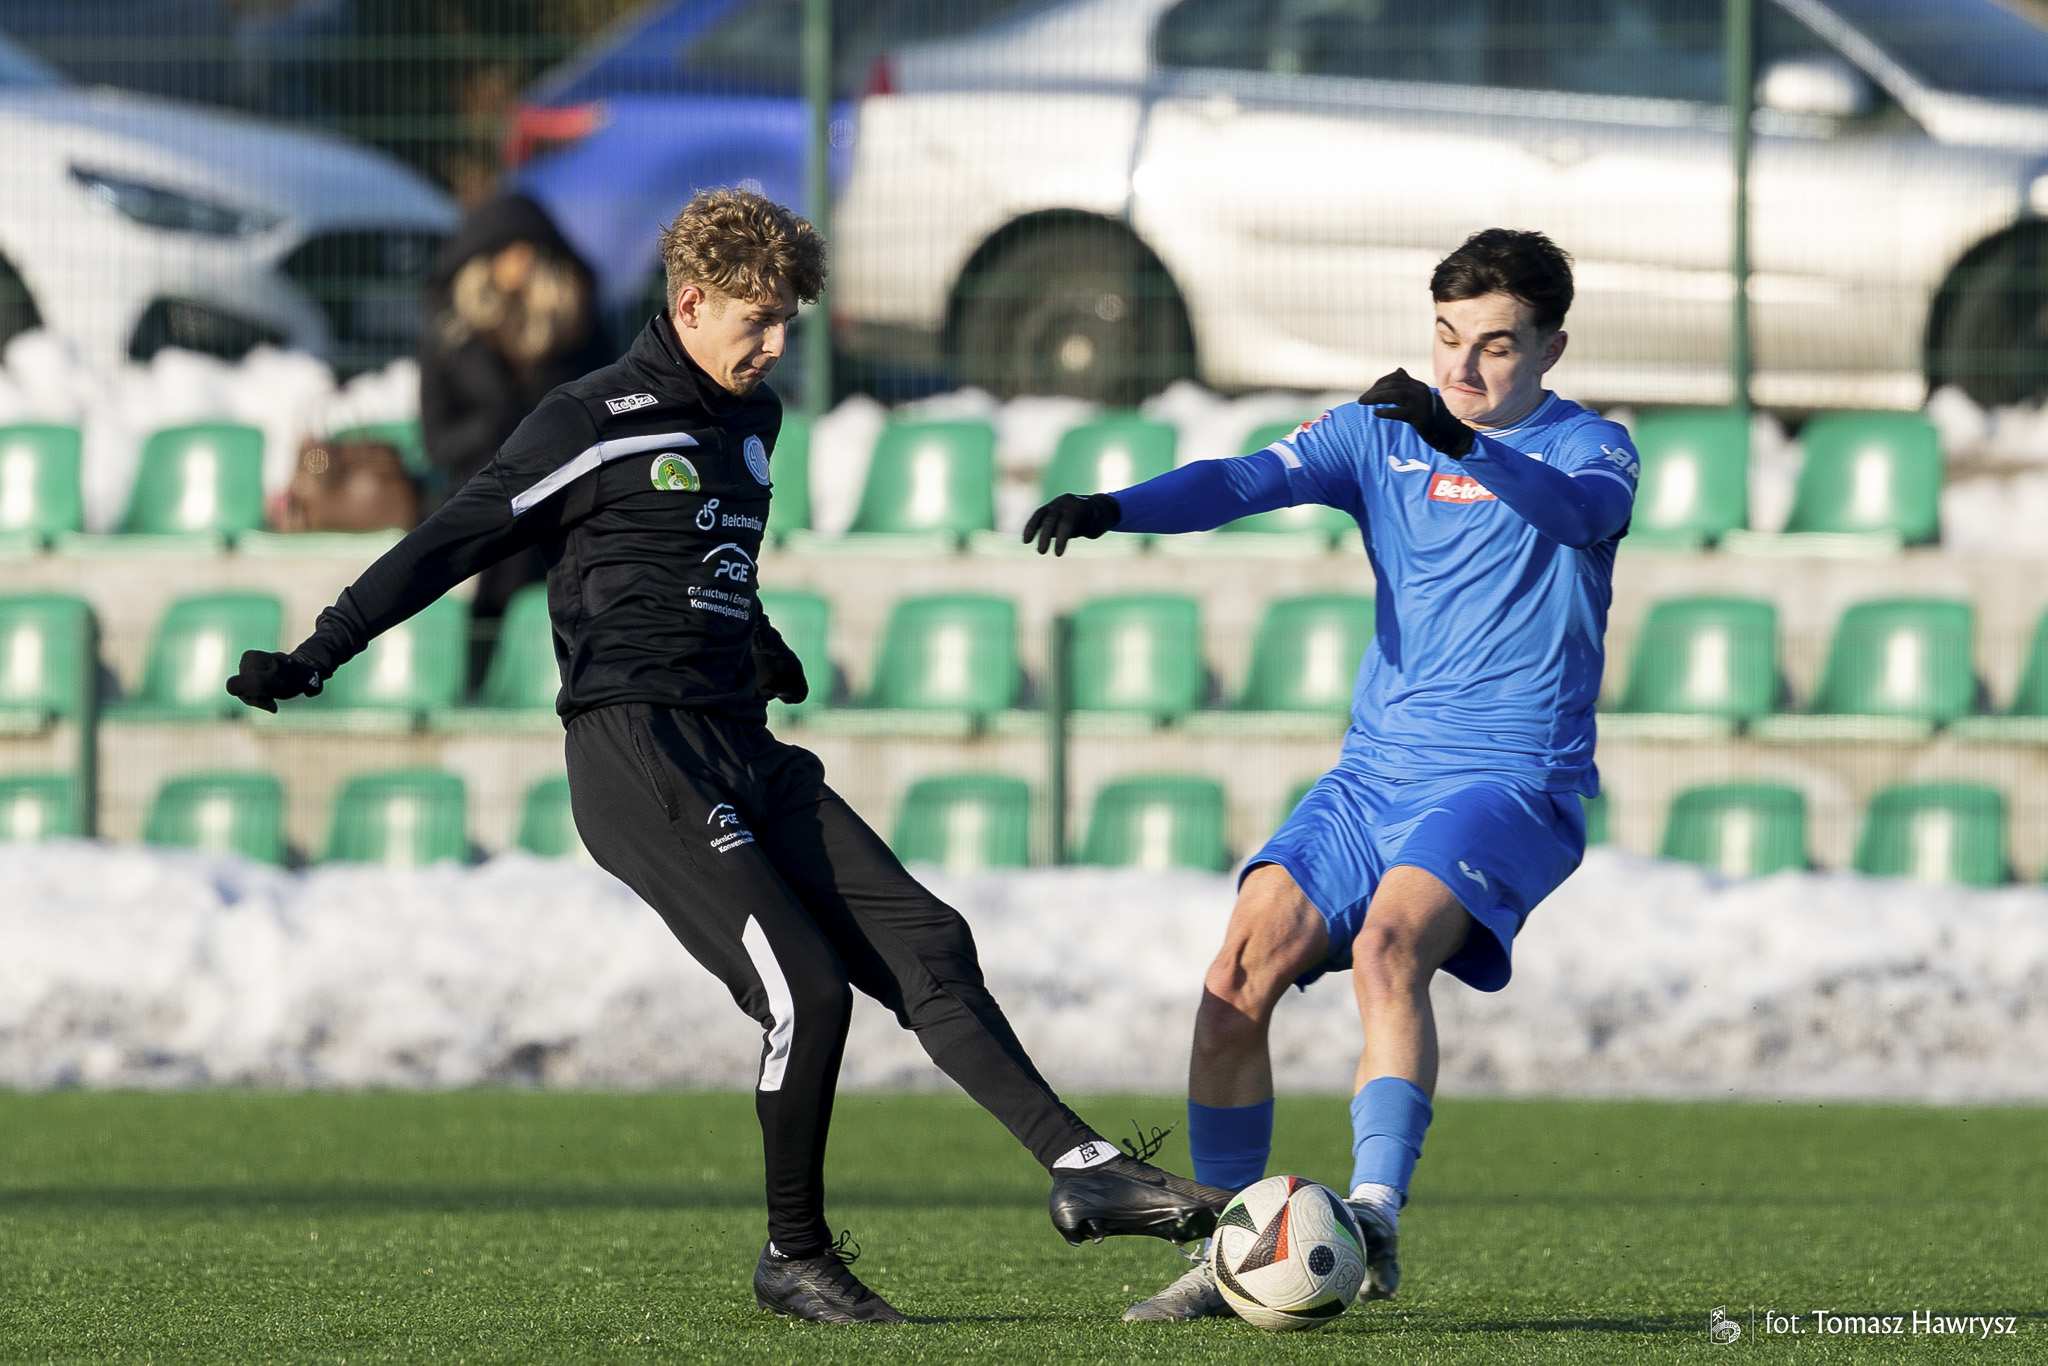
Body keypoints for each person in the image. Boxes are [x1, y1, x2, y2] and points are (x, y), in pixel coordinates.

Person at [224, 188, 1229, 1326]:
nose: (778, 344)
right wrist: (320, 650)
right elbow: (453, 537)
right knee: (806, 991)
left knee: (927, 941)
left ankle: (1082, 1167)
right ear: (691, 302)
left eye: (789, 319)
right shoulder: (589, 418)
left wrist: (761, 640)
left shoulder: (755, 421)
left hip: (740, 739)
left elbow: (703, 556)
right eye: (759, 320)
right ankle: (794, 1256)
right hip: (636, 752)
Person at [1024, 229, 1637, 1322]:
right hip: (1371, 777)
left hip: (1508, 782)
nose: (1461, 365)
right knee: (1232, 979)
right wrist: (1117, 507)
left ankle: (1375, 1215)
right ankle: (1231, 1246)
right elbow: (1241, 479)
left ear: (1550, 348)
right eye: (1446, 337)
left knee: (1387, 946)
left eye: (1496, 346)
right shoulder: (1378, 433)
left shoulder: (1592, 447)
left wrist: (1459, 438)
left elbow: (1579, 515)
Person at [418, 193, 614, 679]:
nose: (520, 258)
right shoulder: (451, 340)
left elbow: (606, 414)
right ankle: (481, 679)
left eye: (529, 247)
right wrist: (497, 423)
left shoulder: (578, 331)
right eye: (507, 247)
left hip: (564, 491)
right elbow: (438, 445)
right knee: (504, 543)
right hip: (480, 493)